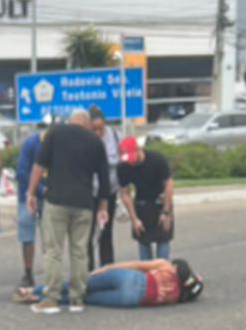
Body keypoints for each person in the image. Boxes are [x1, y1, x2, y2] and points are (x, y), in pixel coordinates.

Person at [26, 109, 110, 315]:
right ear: (87, 124)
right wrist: (103, 207)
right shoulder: (96, 142)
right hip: (84, 204)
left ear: (71, 121)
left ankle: (51, 299)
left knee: (53, 251)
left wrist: (30, 193)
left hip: (57, 201)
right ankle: (77, 299)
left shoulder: (55, 133)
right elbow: (104, 179)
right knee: (79, 252)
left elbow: (39, 165)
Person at [13, 258, 203, 308]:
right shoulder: (174, 297)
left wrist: (108, 268)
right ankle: (38, 297)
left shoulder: (165, 266)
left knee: (78, 284)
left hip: (130, 278)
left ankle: (33, 290)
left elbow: (136, 265)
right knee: (83, 297)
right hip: (131, 299)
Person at [117, 136, 174, 261]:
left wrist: (166, 211)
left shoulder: (156, 159)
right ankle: (147, 273)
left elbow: (168, 184)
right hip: (141, 201)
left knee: (162, 238)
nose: (130, 162)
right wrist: (134, 218)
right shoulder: (123, 167)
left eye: (131, 158)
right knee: (143, 238)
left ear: (138, 150)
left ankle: (162, 270)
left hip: (160, 199)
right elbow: (124, 193)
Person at [15, 120, 49, 289]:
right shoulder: (30, 144)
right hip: (27, 194)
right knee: (27, 234)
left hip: (50, 196)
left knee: (50, 235)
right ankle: (28, 273)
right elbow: (21, 172)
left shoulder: (57, 145)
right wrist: (39, 189)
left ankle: (51, 272)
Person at [87, 105, 121, 271]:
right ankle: (88, 272)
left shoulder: (115, 136)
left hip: (109, 192)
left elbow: (122, 163)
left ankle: (108, 270)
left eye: (101, 129)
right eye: (94, 130)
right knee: (87, 235)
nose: (98, 133)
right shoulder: (84, 139)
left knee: (106, 233)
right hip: (89, 192)